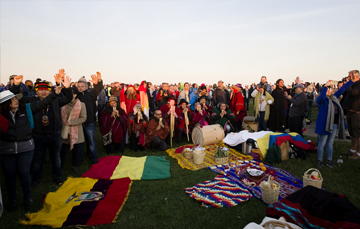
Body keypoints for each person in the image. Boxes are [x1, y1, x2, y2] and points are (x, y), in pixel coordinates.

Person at [0, 75, 61, 211]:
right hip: (7, 150)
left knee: (24, 173)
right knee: (10, 175)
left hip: (25, 148)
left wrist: (54, 94)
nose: (16, 101)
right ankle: (12, 200)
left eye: (16, 98)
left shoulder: (25, 109)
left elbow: (42, 103)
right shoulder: (2, 117)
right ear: (5, 103)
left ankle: (28, 198)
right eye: (13, 99)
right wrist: (15, 85)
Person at [12, 70, 72, 188]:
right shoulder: (31, 100)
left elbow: (68, 98)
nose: (43, 92)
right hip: (38, 134)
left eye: (46, 89)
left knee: (56, 157)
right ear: (36, 91)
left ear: (50, 91)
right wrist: (16, 85)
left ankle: (57, 177)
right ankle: (36, 179)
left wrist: (66, 88)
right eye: (40, 89)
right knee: (37, 158)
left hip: (54, 134)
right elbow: (17, 98)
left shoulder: (55, 99)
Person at [315, 79, 354, 168]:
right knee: (322, 143)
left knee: (330, 143)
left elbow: (342, 90)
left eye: (330, 89)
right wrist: (325, 87)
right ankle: (320, 161)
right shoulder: (322, 100)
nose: (329, 91)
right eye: (327, 89)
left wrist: (351, 81)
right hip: (324, 125)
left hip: (334, 124)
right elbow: (321, 98)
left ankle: (329, 160)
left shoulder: (333, 98)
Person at [76, 72, 103, 164]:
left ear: (86, 87)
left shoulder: (90, 95)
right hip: (78, 122)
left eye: (82, 86)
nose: (80, 88)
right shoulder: (75, 96)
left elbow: (97, 91)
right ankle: (79, 161)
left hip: (89, 121)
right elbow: (66, 93)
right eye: (78, 86)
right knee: (79, 143)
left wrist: (97, 83)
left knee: (91, 142)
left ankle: (93, 159)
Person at [60, 87, 87, 174]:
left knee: (76, 150)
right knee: (63, 150)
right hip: (65, 130)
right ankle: (61, 167)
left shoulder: (81, 104)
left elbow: (83, 118)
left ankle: (75, 165)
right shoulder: (63, 103)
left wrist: (72, 122)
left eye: (71, 93)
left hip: (76, 131)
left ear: (75, 95)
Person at [342, 70, 360, 159]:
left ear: (355, 77)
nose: (348, 78)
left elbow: (354, 92)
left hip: (357, 113)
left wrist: (348, 84)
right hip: (350, 112)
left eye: (350, 77)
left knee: (358, 134)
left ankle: (359, 153)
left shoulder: (358, 84)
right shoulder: (352, 84)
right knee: (352, 133)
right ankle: (353, 149)